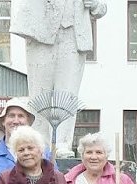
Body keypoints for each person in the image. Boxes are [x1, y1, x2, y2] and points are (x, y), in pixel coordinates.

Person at [10, 0, 107, 157]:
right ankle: (39, 144)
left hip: (73, 37)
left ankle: (63, 144)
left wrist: (94, 4)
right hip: (40, 35)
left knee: (68, 96)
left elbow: (101, 9)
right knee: (40, 95)